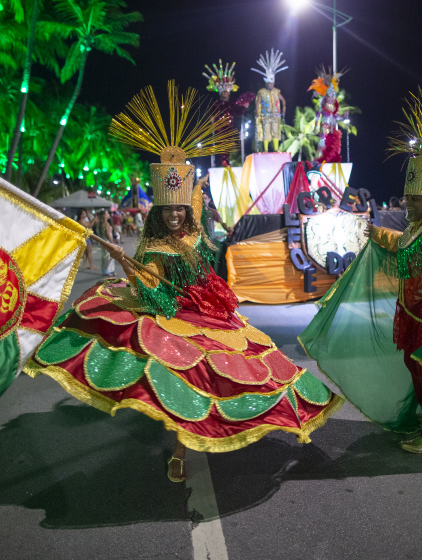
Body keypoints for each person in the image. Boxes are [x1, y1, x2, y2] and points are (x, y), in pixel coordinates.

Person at [25, 82, 342, 482]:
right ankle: (180, 450)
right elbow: (151, 290)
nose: (175, 215)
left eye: (180, 209)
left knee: (256, 364)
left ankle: (280, 415)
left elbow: (212, 272)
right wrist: (132, 270)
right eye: (168, 210)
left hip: (212, 314)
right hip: (175, 316)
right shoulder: (155, 247)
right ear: (159, 211)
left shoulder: (200, 236)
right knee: (185, 376)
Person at [300, 85, 422, 454]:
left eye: (414, 199)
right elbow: (401, 243)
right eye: (408, 197)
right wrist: (373, 232)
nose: (408, 203)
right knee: (415, 369)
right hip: (409, 309)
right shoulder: (415, 228)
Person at [203, 60, 255, 167]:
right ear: (221, 93)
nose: (226, 94)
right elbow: (213, 112)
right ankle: (223, 161)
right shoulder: (216, 103)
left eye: (227, 92)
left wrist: (244, 107)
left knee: (228, 144)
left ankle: (226, 161)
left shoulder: (231, 104)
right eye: (224, 92)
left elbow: (238, 111)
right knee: (222, 144)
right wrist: (211, 119)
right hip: (220, 126)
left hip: (229, 126)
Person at [251, 49, 288, 153]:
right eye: (269, 84)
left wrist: (284, 106)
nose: (271, 85)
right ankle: (266, 149)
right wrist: (257, 111)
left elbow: (283, 99)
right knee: (266, 131)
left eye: (272, 83)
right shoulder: (262, 91)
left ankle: (276, 148)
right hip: (265, 115)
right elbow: (258, 102)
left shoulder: (276, 91)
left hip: (276, 115)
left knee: (276, 131)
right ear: (266, 83)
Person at [93, 211, 113, 275]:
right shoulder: (107, 224)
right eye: (107, 213)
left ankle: (105, 271)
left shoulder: (99, 224)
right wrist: (112, 242)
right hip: (107, 242)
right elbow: (108, 234)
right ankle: (107, 271)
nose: (109, 214)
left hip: (102, 241)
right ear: (104, 216)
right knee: (109, 257)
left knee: (104, 257)